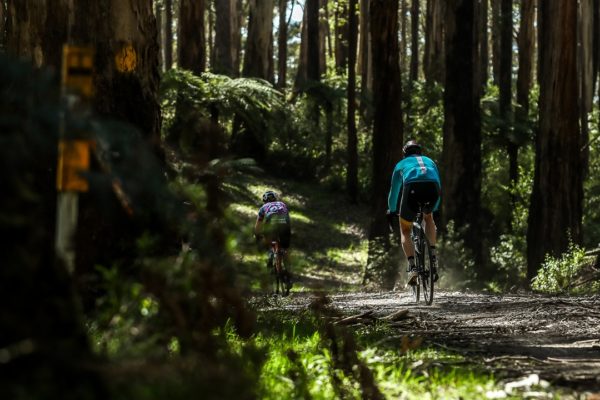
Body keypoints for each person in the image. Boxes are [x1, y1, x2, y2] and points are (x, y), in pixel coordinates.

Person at [387, 140, 441, 286]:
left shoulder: (400, 164)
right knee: (428, 218)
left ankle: (412, 267)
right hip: (432, 188)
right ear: (420, 152)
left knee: (405, 229)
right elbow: (439, 185)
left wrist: (391, 211)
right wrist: (435, 209)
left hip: (412, 189)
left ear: (405, 154)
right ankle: (433, 257)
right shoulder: (430, 161)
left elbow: (394, 191)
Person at [254, 190, 292, 290]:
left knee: (268, 240)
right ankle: (288, 271)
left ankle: (271, 254)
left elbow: (258, 224)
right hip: (284, 224)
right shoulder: (282, 204)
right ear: (275, 198)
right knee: (285, 247)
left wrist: (257, 236)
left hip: (271, 224)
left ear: (264, 200)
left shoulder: (263, 207)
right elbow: (287, 217)